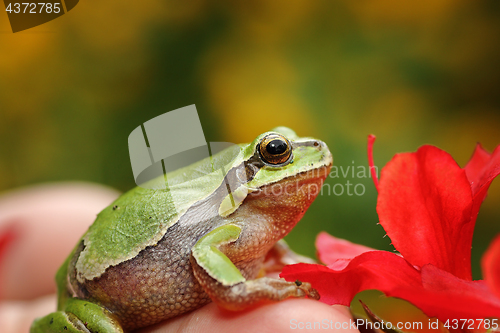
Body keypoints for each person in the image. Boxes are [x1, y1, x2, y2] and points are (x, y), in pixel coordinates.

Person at [0, 183, 357, 332]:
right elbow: (204, 252)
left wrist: (279, 256)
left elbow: (255, 238)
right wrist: (252, 291)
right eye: (278, 152)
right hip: (92, 300)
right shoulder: (226, 221)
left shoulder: (244, 220)